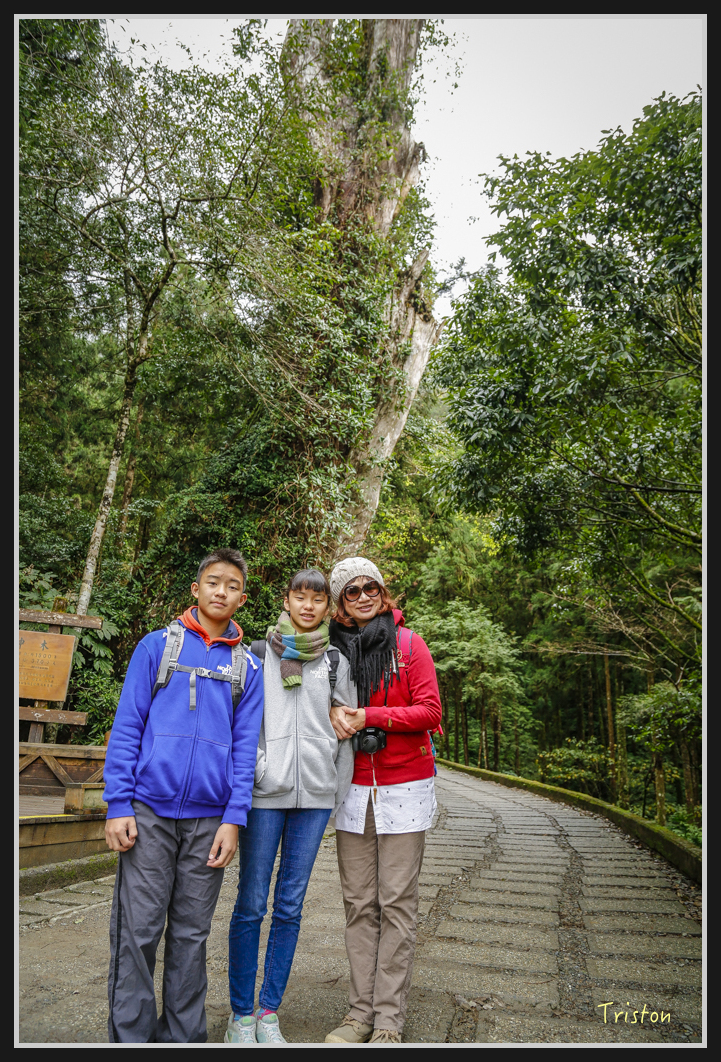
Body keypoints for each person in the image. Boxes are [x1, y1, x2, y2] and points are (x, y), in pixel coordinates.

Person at [103, 547, 264, 1043]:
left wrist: (234, 819)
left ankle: (183, 1039)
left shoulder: (248, 668)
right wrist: (118, 803)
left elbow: (244, 752)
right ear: (196, 589)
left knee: (192, 937)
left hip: (208, 823)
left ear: (241, 597)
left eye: (232, 585)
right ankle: (130, 1038)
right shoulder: (157, 647)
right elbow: (128, 726)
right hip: (147, 813)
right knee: (138, 933)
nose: (222, 591)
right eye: (213, 582)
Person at [225, 569, 355, 1045]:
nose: (307, 606)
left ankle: (268, 1012)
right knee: (251, 904)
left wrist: (332, 791)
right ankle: (240, 1016)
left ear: (327, 608)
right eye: (299, 597)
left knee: (290, 907)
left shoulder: (336, 661)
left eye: (316, 600)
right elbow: (242, 722)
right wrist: (258, 770)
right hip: (265, 796)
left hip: (314, 799)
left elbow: (347, 729)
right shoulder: (258, 655)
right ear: (286, 600)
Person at [323, 557, 442, 1045]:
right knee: (358, 903)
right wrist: (331, 712)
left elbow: (430, 711)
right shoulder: (329, 652)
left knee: (396, 902)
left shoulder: (410, 645)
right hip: (351, 787)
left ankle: (389, 1019)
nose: (365, 595)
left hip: (405, 785)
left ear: (384, 592)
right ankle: (358, 1014)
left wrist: (371, 714)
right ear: (341, 604)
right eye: (353, 591)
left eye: (372, 586)